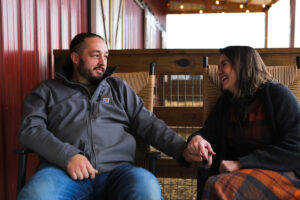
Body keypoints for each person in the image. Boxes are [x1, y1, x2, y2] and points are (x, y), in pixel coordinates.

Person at [18, 32, 193, 200]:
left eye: (106, 56)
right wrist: (67, 156)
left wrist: (182, 149)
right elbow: (30, 130)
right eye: (95, 55)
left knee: (146, 186)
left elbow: (149, 124)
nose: (103, 62)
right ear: (75, 58)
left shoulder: (119, 88)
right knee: (35, 196)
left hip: (118, 173)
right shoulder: (46, 90)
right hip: (62, 171)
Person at [183, 46, 300, 199]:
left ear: (242, 64)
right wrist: (196, 139)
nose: (219, 72)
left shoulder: (277, 94)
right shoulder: (226, 103)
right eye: (218, 67)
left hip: (283, 173)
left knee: (219, 185)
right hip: (242, 176)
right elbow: (208, 132)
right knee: (219, 183)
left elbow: (297, 146)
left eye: (224, 64)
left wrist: (242, 163)